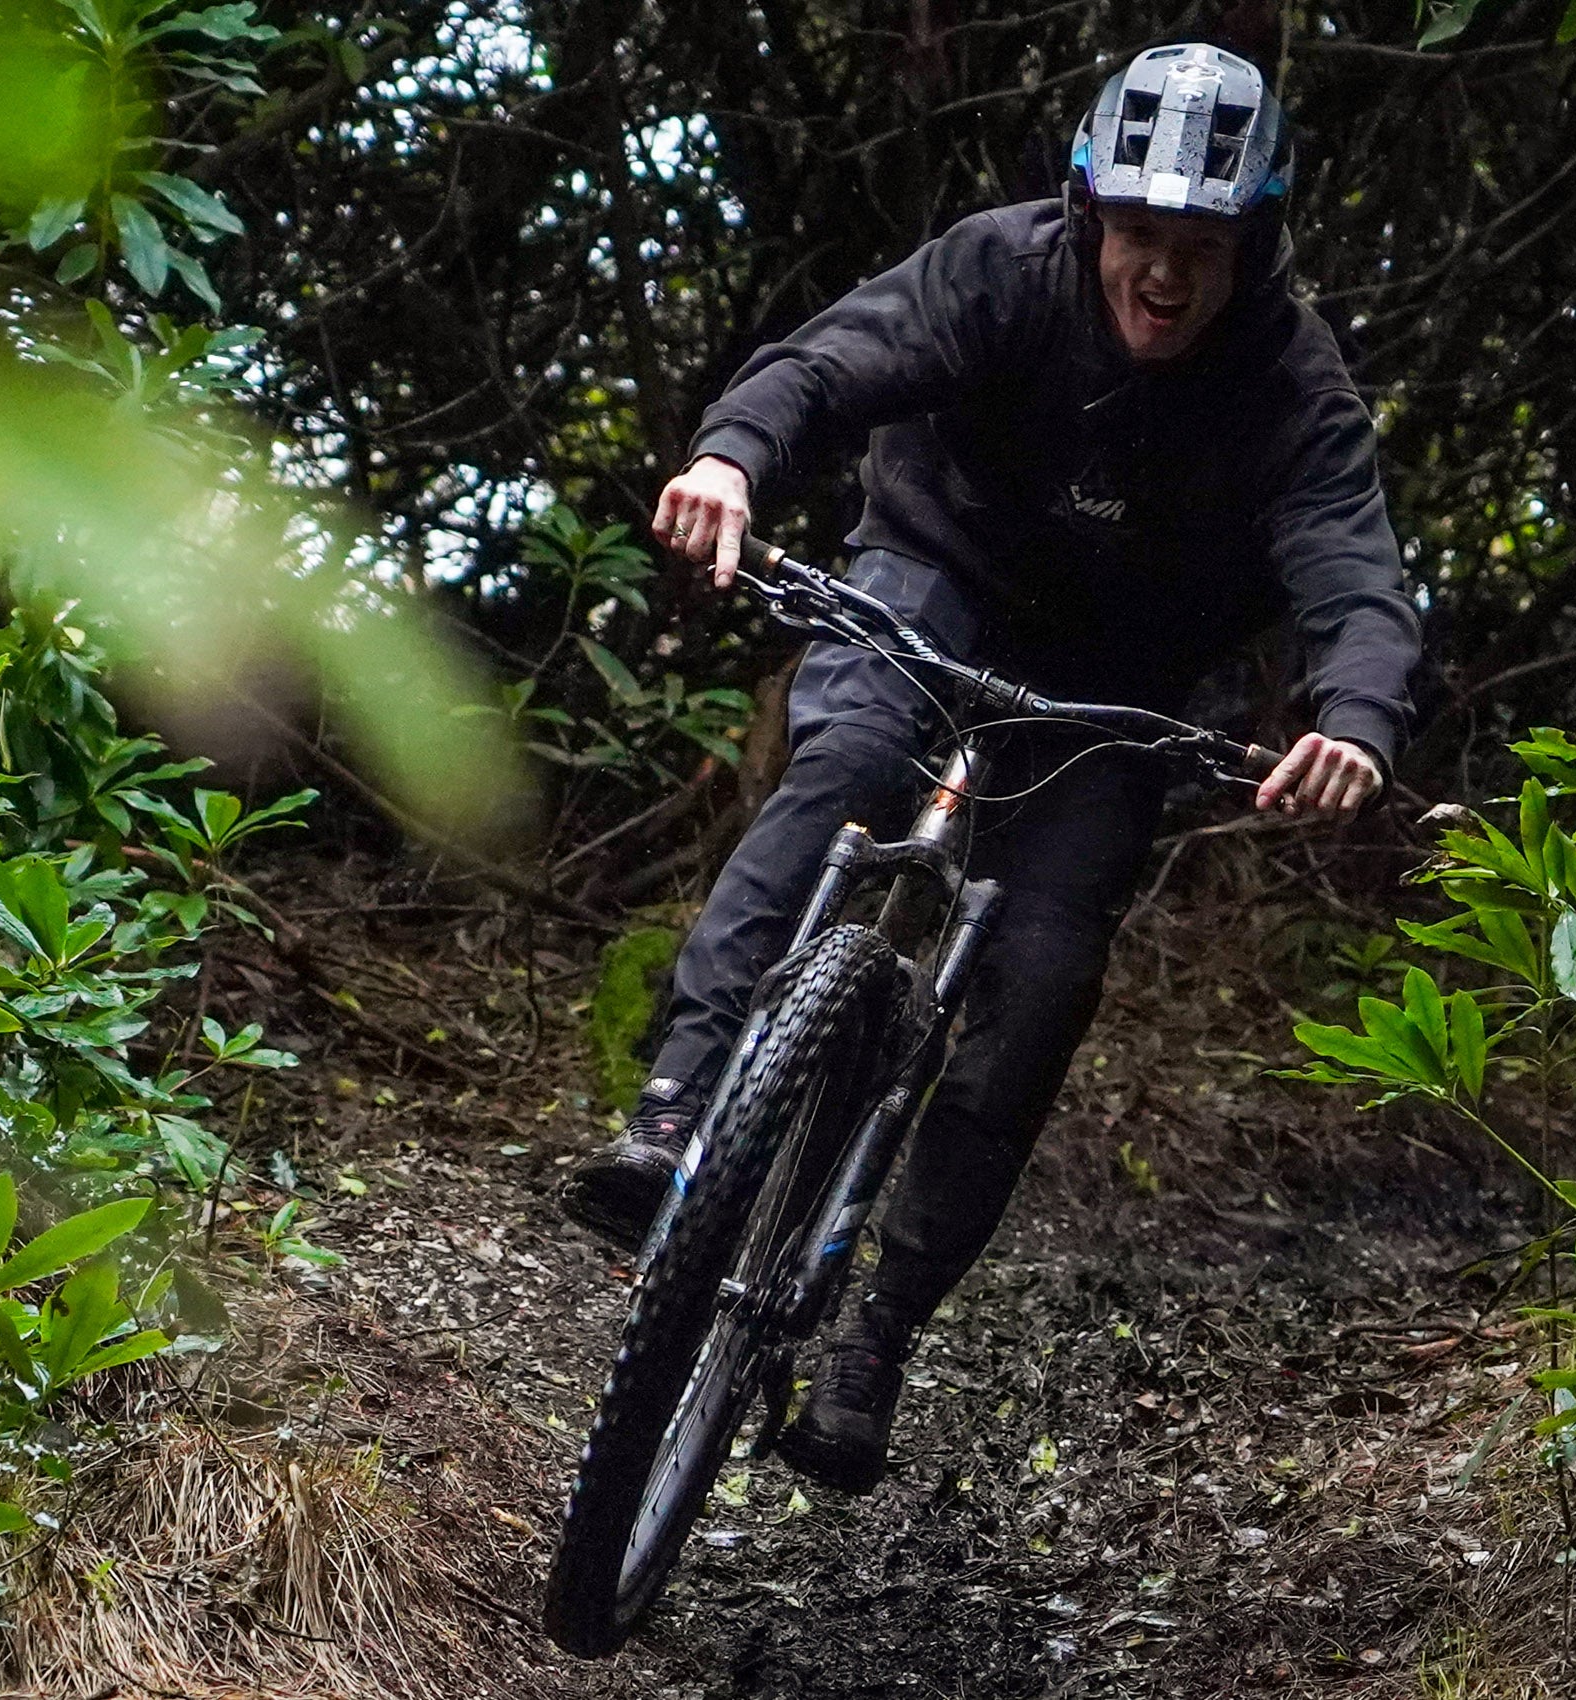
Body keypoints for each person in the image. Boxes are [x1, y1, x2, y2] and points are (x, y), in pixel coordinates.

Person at [555, 42, 1421, 1493]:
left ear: (1252, 251)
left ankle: (875, 1335)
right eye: (1138, 234)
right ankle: (675, 1113)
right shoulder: (1001, 271)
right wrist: (732, 458)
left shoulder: (1290, 380)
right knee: (848, 764)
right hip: (933, 574)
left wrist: (1356, 719)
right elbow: (828, 363)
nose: (1163, 275)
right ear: (1089, 216)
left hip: (1115, 688)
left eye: (1201, 250)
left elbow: (1354, 571)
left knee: (1043, 973)